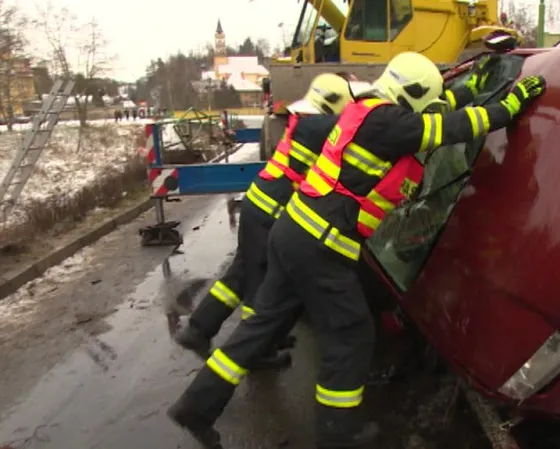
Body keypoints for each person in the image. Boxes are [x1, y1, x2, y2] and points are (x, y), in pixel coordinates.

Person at [167, 52, 541, 449]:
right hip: (320, 246)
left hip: (293, 233)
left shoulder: (369, 113)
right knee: (350, 334)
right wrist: (508, 107)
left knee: (261, 326)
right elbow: (449, 127)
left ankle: (196, 406)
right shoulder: (389, 123)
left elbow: (437, 113)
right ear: (410, 93)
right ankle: (338, 432)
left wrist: (468, 88)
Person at [172, 73, 357, 370]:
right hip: (268, 212)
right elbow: (355, 128)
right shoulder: (313, 125)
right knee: (263, 285)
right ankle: (257, 350)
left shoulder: (304, 119)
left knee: (240, 276)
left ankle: (198, 330)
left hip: (260, 207)